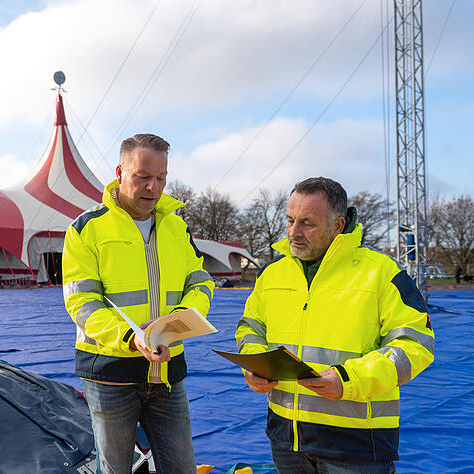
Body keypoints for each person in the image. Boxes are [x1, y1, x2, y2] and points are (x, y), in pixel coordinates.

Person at [236, 177, 435, 473]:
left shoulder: (381, 273)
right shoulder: (272, 274)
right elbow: (251, 328)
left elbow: (415, 345)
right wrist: (255, 365)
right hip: (286, 440)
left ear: (338, 225)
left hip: (356, 444)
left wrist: (348, 380)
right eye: (290, 220)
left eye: (307, 223)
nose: (294, 232)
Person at [62, 133, 213, 473]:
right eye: (143, 176)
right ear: (120, 172)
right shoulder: (86, 229)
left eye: (161, 178)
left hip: (167, 373)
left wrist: (182, 319)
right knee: (115, 468)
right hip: (110, 375)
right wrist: (131, 337)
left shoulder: (177, 228)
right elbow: (81, 302)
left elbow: (200, 281)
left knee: (182, 467)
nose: (153, 187)